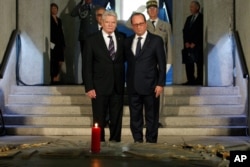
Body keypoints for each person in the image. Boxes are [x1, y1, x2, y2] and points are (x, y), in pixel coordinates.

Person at [124, 13, 166, 143]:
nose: (139, 27)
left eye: (141, 24)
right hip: (133, 86)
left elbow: (162, 64)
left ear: (145, 24)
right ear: (132, 26)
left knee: (151, 117)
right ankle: (137, 141)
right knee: (135, 117)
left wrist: (160, 84)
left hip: (151, 86)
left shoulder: (156, 40)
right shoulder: (128, 41)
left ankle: (151, 143)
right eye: (135, 24)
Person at [84, 10, 125, 142]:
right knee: (99, 119)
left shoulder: (122, 38)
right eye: (107, 22)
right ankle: (98, 145)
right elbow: (87, 66)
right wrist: (89, 87)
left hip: (117, 86)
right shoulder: (92, 40)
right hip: (99, 87)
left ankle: (115, 144)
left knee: (116, 119)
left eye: (113, 22)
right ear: (102, 22)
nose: (110, 25)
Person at [71, 0, 99, 84]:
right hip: (84, 37)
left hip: (95, 37)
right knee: (85, 60)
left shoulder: (96, 8)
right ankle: (85, 80)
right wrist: (80, 3)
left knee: (95, 59)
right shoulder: (81, 8)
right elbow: (73, 14)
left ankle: (94, 80)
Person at [182, 1, 203, 85]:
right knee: (188, 62)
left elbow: (200, 31)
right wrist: (186, 42)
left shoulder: (202, 18)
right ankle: (190, 79)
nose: (190, 8)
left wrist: (195, 42)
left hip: (197, 45)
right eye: (190, 7)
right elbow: (185, 31)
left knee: (199, 63)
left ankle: (199, 79)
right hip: (188, 45)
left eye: (192, 7)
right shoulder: (188, 18)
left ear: (197, 8)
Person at [50, 3, 66, 84]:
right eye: (52, 8)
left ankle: (57, 75)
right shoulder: (49, 19)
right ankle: (54, 76)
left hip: (60, 42)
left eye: (55, 8)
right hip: (53, 42)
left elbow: (61, 31)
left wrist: (63, 43)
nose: (54, 10)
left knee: (60, 60)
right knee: (54, 60)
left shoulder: (59, 20)